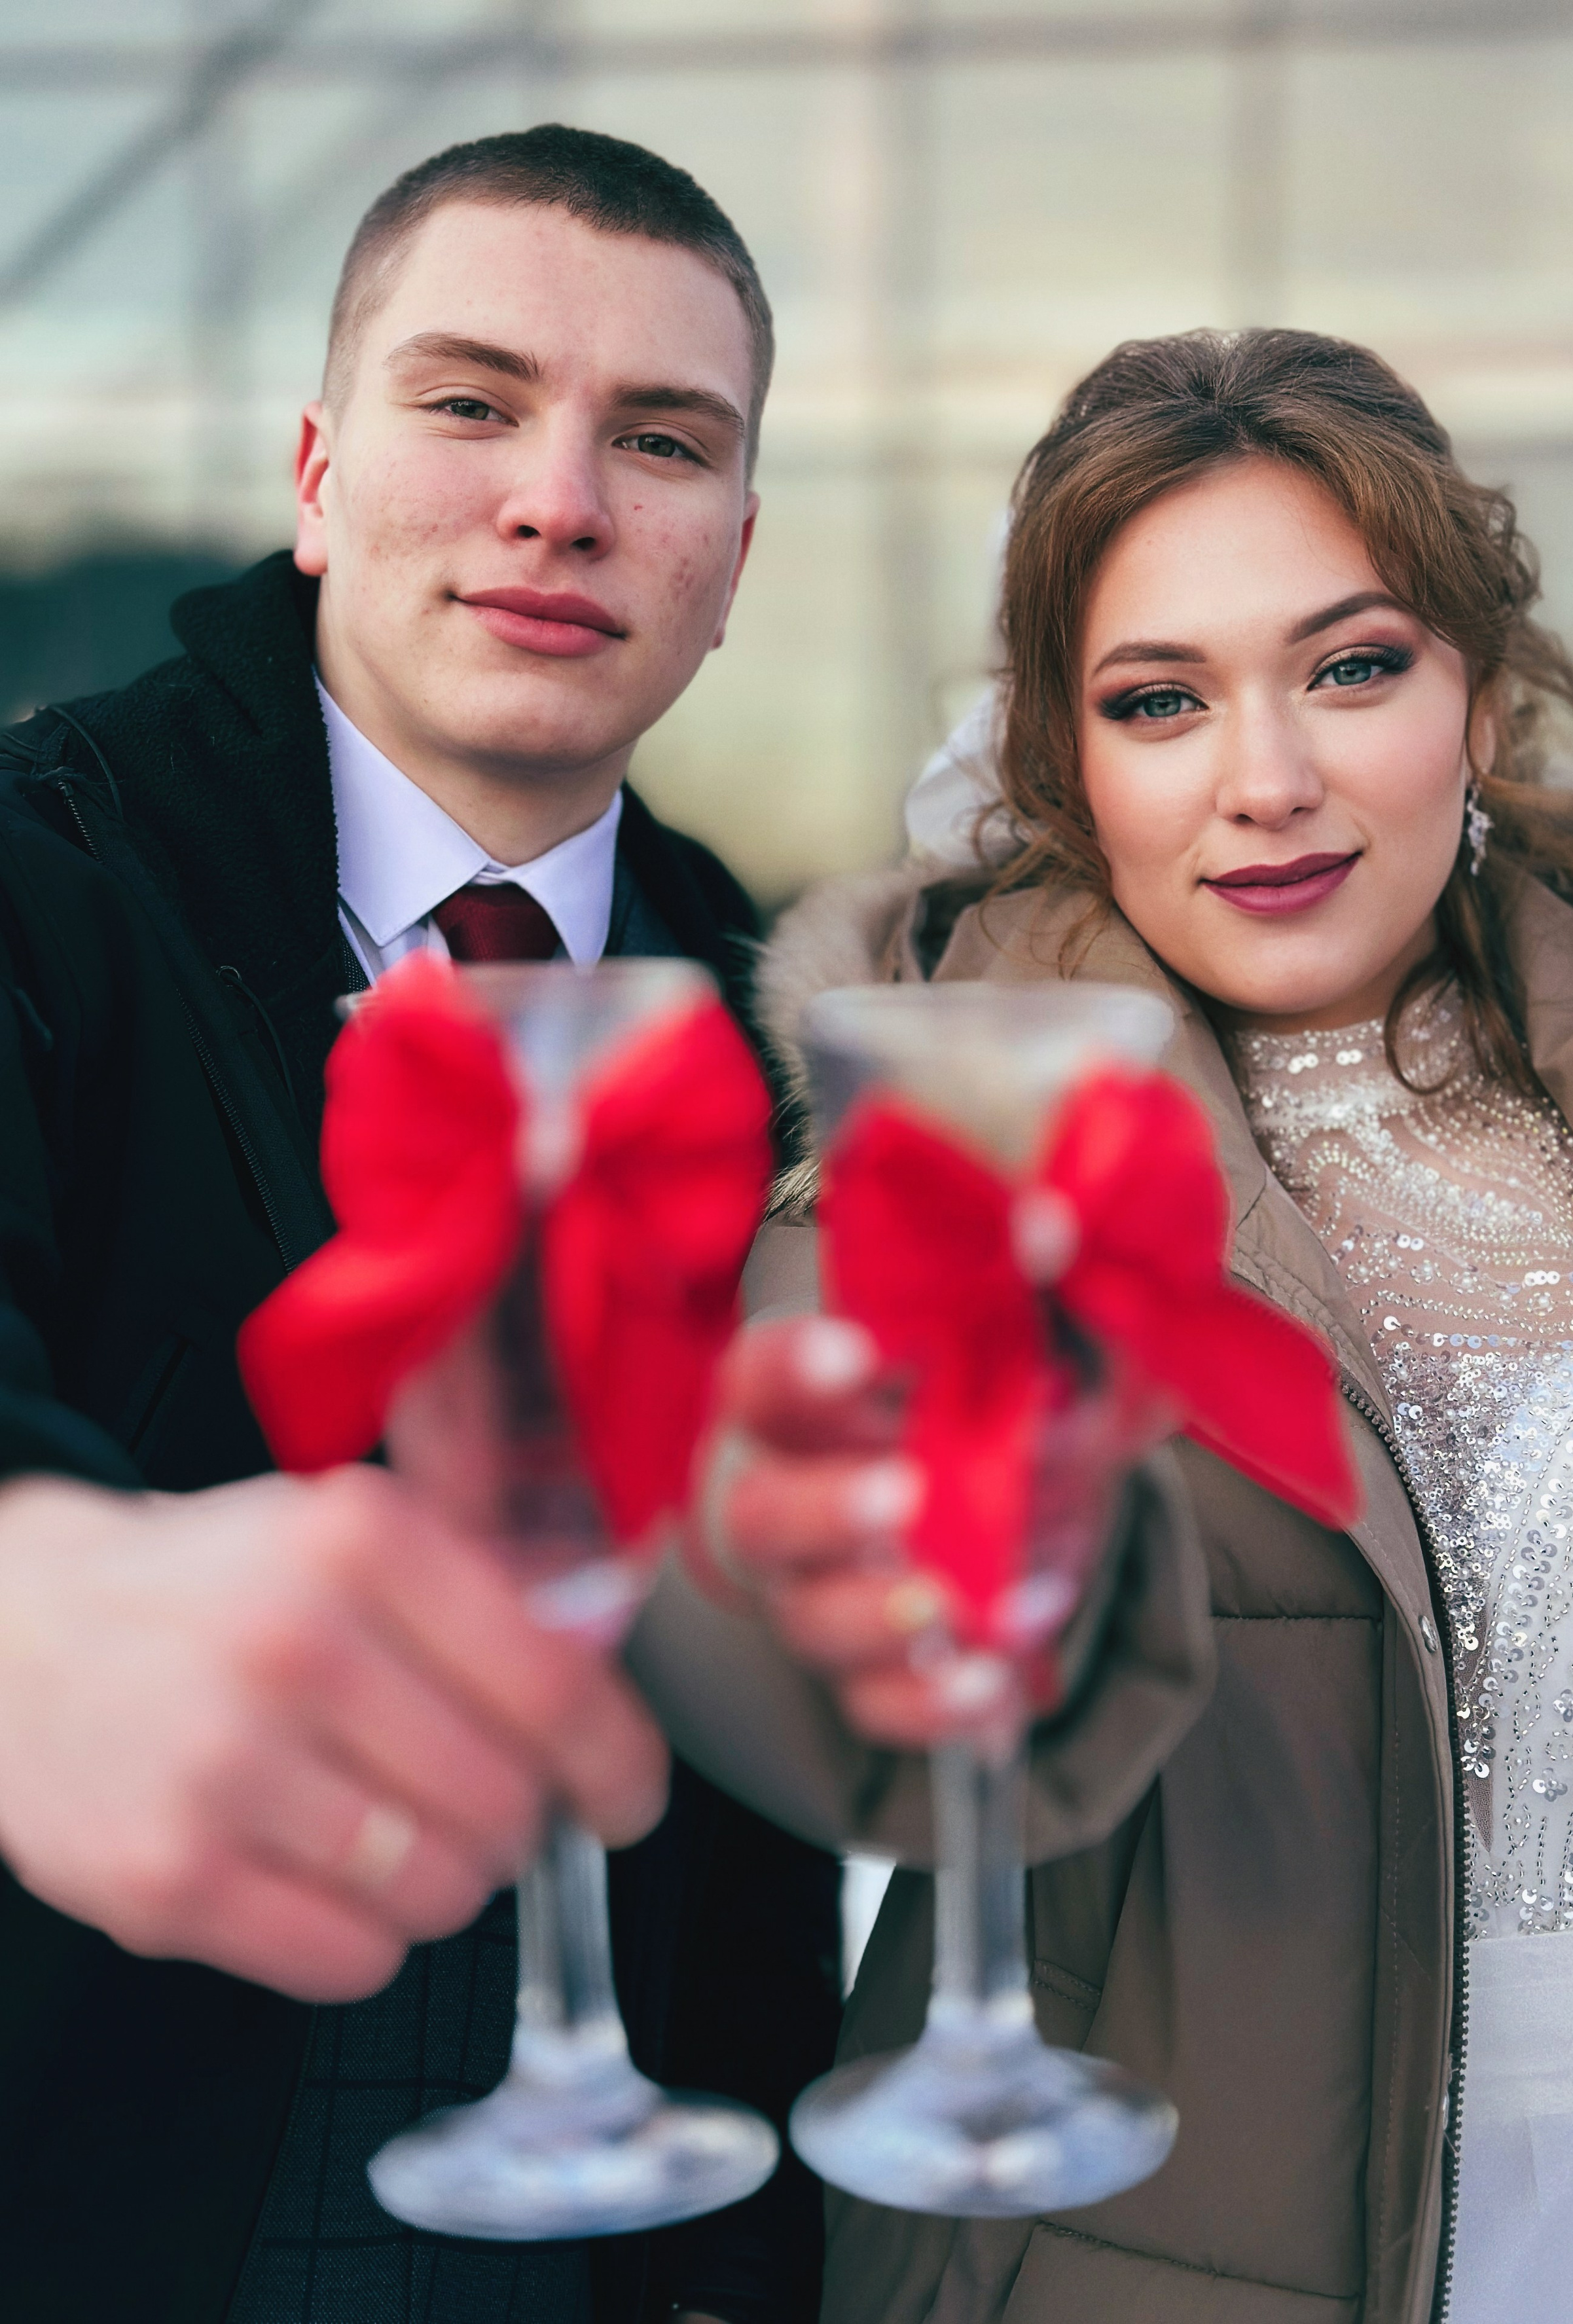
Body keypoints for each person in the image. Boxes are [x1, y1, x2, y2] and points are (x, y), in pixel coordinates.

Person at [673, 326, 1573, 2323]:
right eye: (1161, 701)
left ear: (1472, 700)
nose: (1270, 781)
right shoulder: (942, 1146)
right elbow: (788, 1653)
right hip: (1167, 2249)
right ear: (1068, 762)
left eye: (1355, 666)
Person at [0, 124, 844, 2324]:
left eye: (658, 441)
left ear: (733, 557)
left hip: (644, 2234)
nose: (559, 499)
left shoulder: (782, 1024)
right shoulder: (35, 873)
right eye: (469, 402)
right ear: (313, 471)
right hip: (101, 2200)